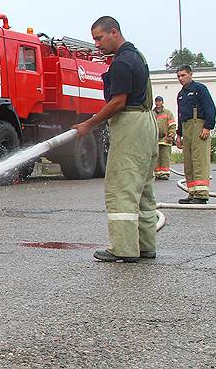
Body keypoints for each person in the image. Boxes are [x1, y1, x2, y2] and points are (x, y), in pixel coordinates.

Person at [73, 16, 158, 263]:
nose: (97, 45)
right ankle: (145, 245)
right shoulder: (137, 56)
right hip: (146, 123)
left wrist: (89, 124)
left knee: (122, 186)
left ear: (114, 32)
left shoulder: (122, 62)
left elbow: (118, 101)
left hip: (131, 125)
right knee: (143, 188)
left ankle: (123, 248)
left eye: (99, 38)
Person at [175, 65, 216, 204]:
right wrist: (179, 135)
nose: (181, 78)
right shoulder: (181, 94)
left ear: (191, 74)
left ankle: (202, 194)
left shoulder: (199, 89)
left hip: (198, 125)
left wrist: (207, 127)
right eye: (178, 76)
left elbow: (210, 108)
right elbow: (180, 115)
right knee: (188, 162)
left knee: (199, 160)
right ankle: (192, 192)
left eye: (183, 75)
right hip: (186, 127)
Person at [153, 96, 177, 180]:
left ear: (162, 102)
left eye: (159, 101)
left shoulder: (168, 113)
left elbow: (172, 125)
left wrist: (171, 135)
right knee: (156, 157)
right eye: (156, 101)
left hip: (165, 139)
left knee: (165, 157)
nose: (157, 103)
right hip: (155, 139)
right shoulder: (152, 113)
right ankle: (157, 173)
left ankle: (164, 173)